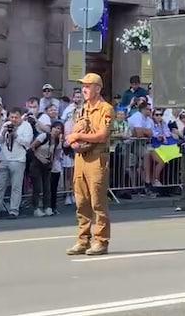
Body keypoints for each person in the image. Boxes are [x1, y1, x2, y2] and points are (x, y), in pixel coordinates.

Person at [65, 73, 114, 256]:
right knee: (81, 201)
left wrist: (78, 136)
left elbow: (102, 135)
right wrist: (73, 141)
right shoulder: (83, 108)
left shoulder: (106, 109)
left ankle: (101, 241)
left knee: (97, 202)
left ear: (98, 89)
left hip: (96, 158)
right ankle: (83, 240)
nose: (84, 89)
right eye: (83, 86)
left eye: (88, 86)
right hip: (81, 157)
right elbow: (76, 129)